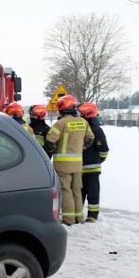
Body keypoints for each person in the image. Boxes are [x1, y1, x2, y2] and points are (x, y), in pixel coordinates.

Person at [44, 95, 94, 226]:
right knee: (77, 190)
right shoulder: (83, 122)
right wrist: (79, 148)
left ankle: (69, 220)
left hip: (62, 165)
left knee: (66, 190)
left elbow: (50, 142)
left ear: (62, 109)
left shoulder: (60, 123)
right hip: (77, 163)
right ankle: (79, 218)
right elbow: (90, 139)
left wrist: (55, 150)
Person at [77, 102, 109, 223]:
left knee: (81, 192)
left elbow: (103, 149)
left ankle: (85, 215)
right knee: (92, 192)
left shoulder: (84, 129)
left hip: (81, 167)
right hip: (91, 167)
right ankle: (91, 216)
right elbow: (104, 150)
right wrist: (99, 160)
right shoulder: (95, 129)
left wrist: (97, 160)